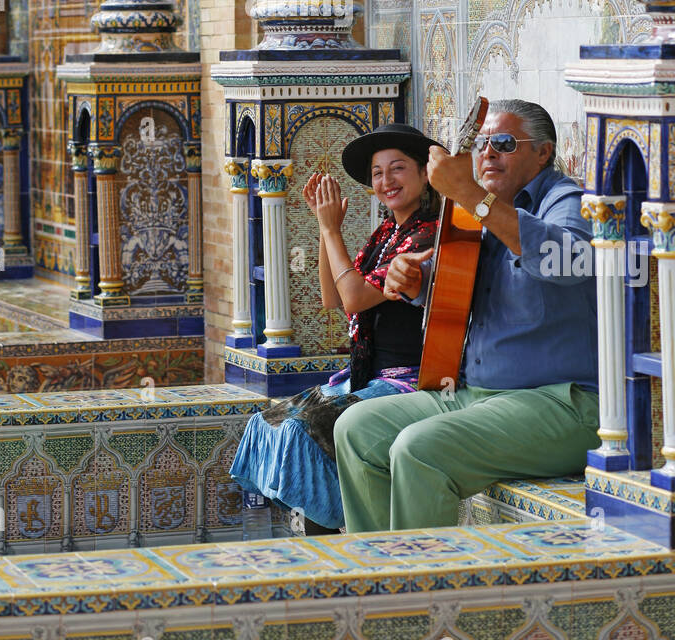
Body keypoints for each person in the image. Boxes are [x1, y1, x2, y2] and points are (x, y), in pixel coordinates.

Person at [333, 100, 599, 533]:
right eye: (483, 144)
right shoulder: (483, 211)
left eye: (505, 143)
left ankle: (426, 590)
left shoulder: (565, 200)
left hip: (563, 403)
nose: (488, 153)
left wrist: (472, 196)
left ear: (543, 153)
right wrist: (417, 281)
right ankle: (382, 576)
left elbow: (568, 262)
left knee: (419, 448)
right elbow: (453, 283)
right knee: (356, 429)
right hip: (479, 394)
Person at [229, 124, 443, 533]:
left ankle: (335, 542)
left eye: (397, 169)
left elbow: (355, 298)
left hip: (408, 380)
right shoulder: (386, 234)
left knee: (300, 431)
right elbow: (332, 297)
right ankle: (323, 539)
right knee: (269, 421)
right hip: (367, 374)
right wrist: (330, 229)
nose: (386, 181)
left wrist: (329, 230)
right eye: (378, 173)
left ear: (423, 174)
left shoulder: (426, 233)